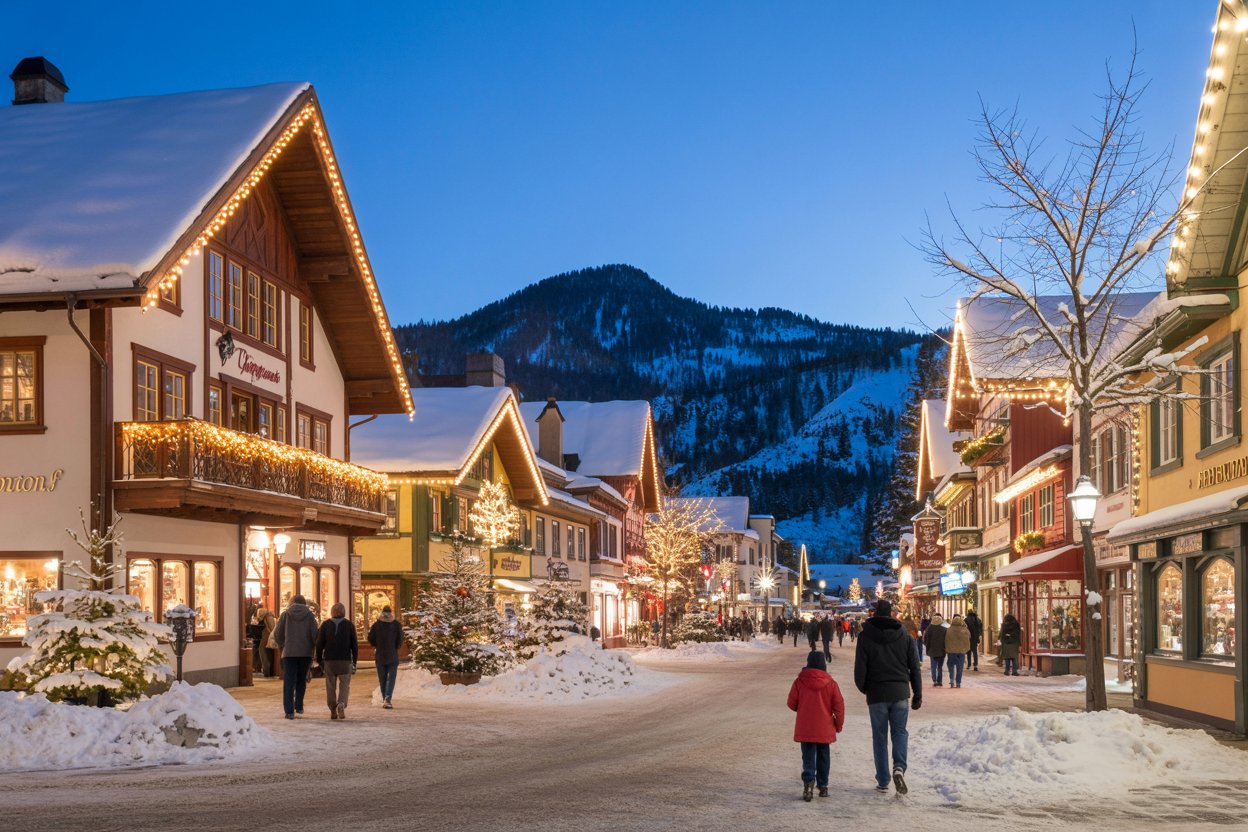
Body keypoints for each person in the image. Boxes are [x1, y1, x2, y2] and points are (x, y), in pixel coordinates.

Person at [854, 600, 922, 795]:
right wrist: (917, 693)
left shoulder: (865, 636)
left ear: (875, 613)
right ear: (892, 614)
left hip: (876, 693)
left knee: (880, 737)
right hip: (900, 692)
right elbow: (914, 667)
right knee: (900, 732)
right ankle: (899, 768)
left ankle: (883, 780)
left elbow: (860, 668)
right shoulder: (905, 636)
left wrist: (865, 688)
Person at [787, 650, 845, 801]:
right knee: (823, 756)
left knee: (808, 756)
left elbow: (791, 703)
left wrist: (802, 708)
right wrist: (838, 725)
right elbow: (839, 707)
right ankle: (823, 786)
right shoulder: (831, 684)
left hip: (806, 727)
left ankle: (808, 783)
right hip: (824, 728)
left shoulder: (799, 681)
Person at [273, 594, 319, 719]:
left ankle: (289, 711)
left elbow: (277, 634)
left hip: (289, 653)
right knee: (301, 680)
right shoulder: (310, 616)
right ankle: (298, 705)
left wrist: (283, 644)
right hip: (305, 653)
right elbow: (315, 634)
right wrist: (313, 647)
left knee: (289, 681)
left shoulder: (286, 615)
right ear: (305, 603)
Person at [315, 602, 359, 720]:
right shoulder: (349, 625)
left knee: (330, 685)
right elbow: (354, 645)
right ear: (343, 612)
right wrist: (354, 661)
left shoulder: (325, 625)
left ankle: (332, 708)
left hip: (329, 660)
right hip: (345, 660)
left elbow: (319, 644)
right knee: (345, 685)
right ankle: (341, 703)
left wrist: (320, 660)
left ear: (332, 612)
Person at [368, 605, 403, 709]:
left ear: (382, 612)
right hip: (392, 655)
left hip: (380, 655)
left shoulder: (376, 625)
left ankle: (385, 698)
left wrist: (377, 645)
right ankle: (387, 699)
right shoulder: (396, 625)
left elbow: (370, 638)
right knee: (391, 678)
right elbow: (400, 639)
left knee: (382, 678)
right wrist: (396, 647)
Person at [944, 614, 971, 688]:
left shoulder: (949, 629)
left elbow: (946, 639)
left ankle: (952, 680)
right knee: (960, 667)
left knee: (951, 665)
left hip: (951, 651)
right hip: (961, 651)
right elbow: (969, 636)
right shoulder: (964, 629)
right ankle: (958, 682)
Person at [923, 613, 947, 687]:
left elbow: (925, 638)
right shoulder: (944, 627)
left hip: (932, 650)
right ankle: (939, 681)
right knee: (940, 667)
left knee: (933, 666)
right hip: (942, 650)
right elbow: (947, 638)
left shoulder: (929, 627)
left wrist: (927, 645)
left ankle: (934, 681)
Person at [255, 604, 277, 678]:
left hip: (265, 639)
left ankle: (266, 672)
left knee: (264, 656)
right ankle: (270, 672)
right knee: (269, 656)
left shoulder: (264, 619)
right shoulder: (271, 617)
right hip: (271, 639)